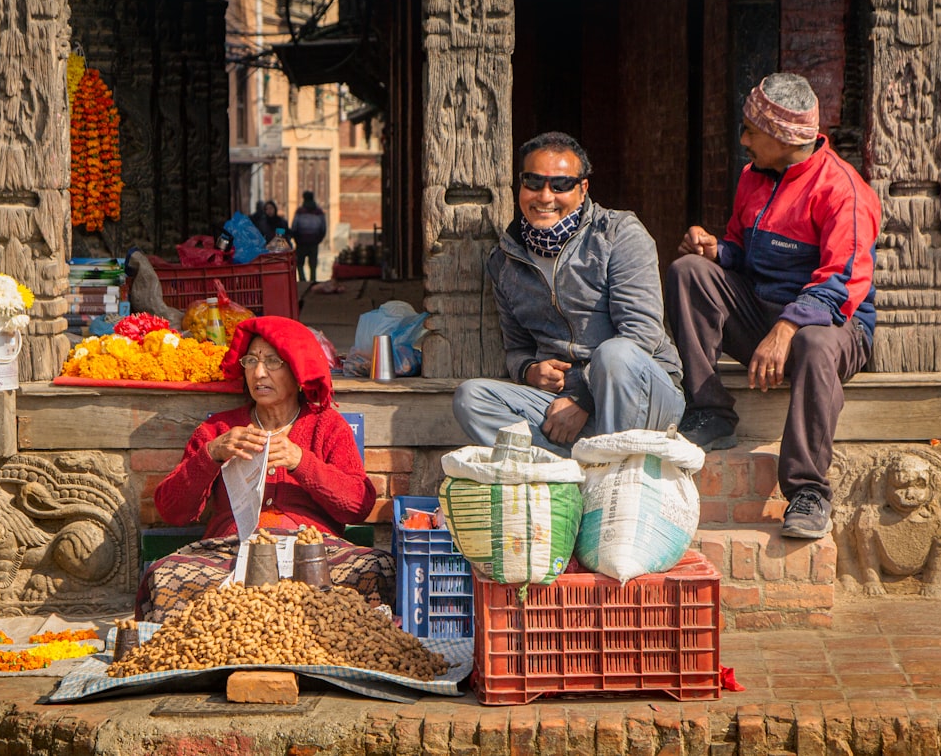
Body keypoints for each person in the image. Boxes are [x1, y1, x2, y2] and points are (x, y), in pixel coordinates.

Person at [665, 72, 880, 540]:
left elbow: (842, 285)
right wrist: (716, 252)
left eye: (751, 132)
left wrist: (785, 331)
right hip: (763, 314)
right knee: (688, 272)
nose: (743, 140)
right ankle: (711, 410)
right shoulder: (753, 178)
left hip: (836, 328)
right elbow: (743, 255)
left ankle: (807, 490)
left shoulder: (844, 191)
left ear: (784, 138)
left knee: (818, 344)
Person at [136, 316, 394, 622]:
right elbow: (172, 511)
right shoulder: (218, 428)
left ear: (298, 371)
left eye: (273, 362)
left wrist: (301, 461)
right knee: (164, 577)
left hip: (314, 556)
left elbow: (358, 505)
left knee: (378, 568)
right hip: (232, 554)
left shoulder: (326, 426)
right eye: (251, 361)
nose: (259, 373)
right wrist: (211, 454)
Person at [452, 131, 685, 458]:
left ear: (582, 189)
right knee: (471, 398)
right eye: (533, 182)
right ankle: (571, 470)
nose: (545, 196)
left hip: (641, 395)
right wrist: (530, 371)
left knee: (614, 354)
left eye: (560, 185)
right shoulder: (505, 260)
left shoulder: (619, 234)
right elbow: (517, 347)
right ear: (520, 185)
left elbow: (641, 334)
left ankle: (608, 473)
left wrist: (584, 401)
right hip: (560, 405)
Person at [292, 190, 328, 283]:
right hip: (314, 242)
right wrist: (318, 239)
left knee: (299, 264)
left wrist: (296, 239)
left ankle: (302, 281)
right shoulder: (319, 212)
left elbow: (294, 227)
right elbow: (323, 228)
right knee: (313, 265)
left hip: (301, 242)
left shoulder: (300, 211)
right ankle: (312, 282)